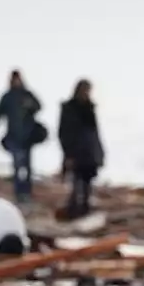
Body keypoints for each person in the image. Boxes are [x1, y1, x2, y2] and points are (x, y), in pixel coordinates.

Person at [0, 70, 45, 204]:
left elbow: (39, 106)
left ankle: (27, 193)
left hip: (28, 138)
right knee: (17, 166)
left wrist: (30, 105)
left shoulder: (27, 94)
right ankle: (19, 194)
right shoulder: (7, 97)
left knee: (28, 167)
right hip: (13, 137)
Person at [58, 79, 105, 220]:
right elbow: (63, 132)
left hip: (89, 151)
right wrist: (68, 153)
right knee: (76, 183)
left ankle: (84, 209)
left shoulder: (90, 108)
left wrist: (99, 153)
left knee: (87, 183)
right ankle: (73, 211)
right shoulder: (69, 108)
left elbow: (95, 132)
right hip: (76, 150)